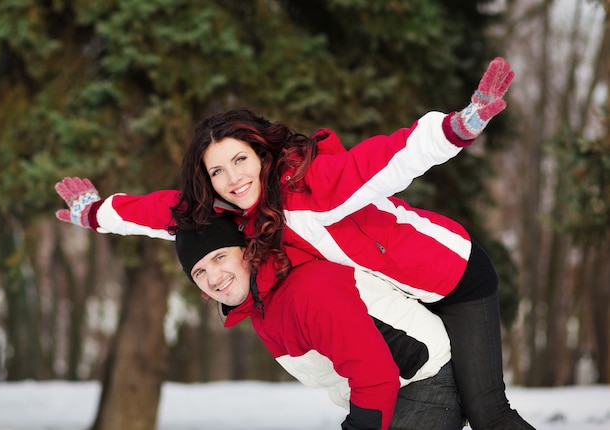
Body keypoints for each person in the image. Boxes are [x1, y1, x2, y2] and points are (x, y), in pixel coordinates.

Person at [55, 57, 534, 429]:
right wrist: (97, 214)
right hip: (400, 296)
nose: (231, 178)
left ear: (261, 153)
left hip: (452, 277)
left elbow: (385, 160)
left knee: (488, 413)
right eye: (217, 171)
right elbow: (169, 214)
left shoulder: (314, 187)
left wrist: (456, 127)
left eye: (239, 161)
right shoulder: (240, 217)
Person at [174, 214, 463, 430]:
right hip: (396, 391)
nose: (213, 278)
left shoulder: (306, 290)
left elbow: (376, 376)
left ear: (247, 252)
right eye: (199, 272)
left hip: (426, 382)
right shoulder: (262, 306)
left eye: (220, 257)